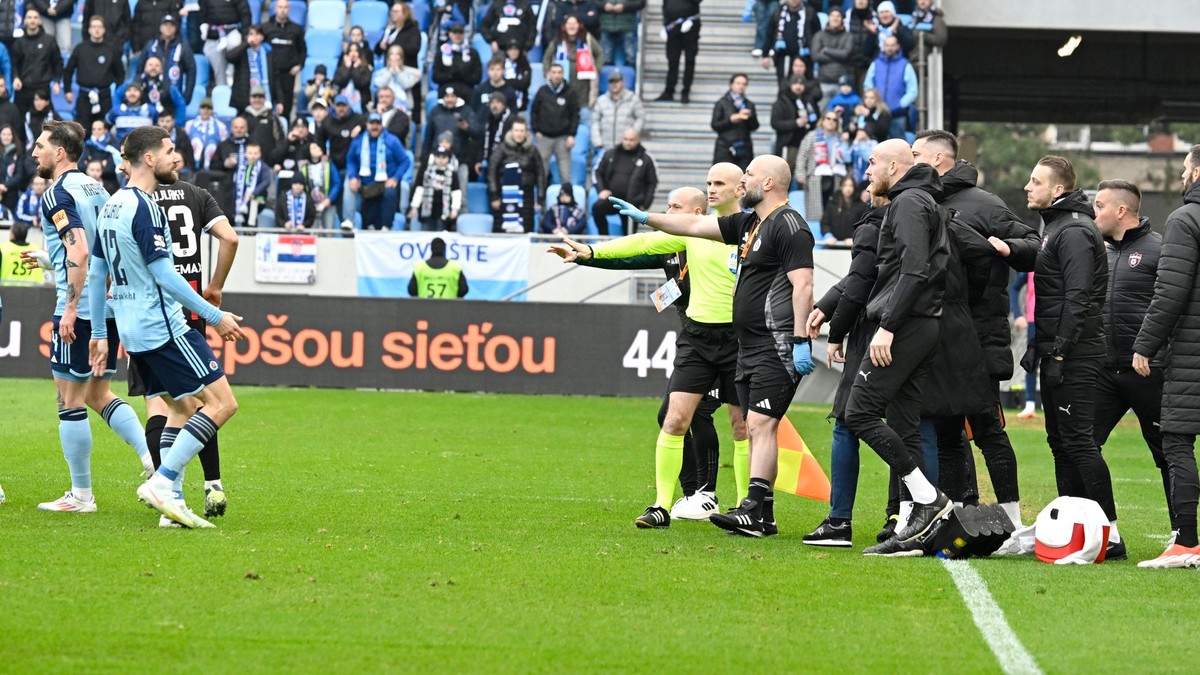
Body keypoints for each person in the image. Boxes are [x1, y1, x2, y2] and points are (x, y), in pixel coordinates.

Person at [610, 155, 815, 537]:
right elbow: (691, 224)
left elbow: (803, 285)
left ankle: (749, 507)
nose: (743, 181)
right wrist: (646, 217)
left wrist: (801, 338)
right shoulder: (751, 223)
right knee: (728, 423)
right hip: (739, 343)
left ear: (767, 183)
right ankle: (734, 509)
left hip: (771, 342)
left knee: (755, 425)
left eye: (749, 175)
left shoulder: (790, 227)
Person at [554, 165, 751, 526]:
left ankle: (743, 507)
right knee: (674, 418)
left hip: (739, 340)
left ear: (741, 188)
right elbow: (641, 246)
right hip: (697, 338)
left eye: (717, 183)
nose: (711, 189)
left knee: (742, 426)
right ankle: (664, 505)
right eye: (707, 182)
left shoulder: (751, 232)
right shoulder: (689, 234)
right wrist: (591, 252)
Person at [88, 125, 245, 528]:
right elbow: (166, 277)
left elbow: (96, 273)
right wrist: (215, 315)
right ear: (149, 158)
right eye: (170, 150)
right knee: (223, 403)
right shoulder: (144, 206)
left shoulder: (111, 205)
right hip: (164, 326)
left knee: (178, 408)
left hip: (134, 330)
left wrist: (103, 334)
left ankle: (170, 503)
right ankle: (164, 482)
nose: (176, 157)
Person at [21, 120, 154, 513]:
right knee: (98, 393)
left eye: (41, 145)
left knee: (69, 399)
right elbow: (97, 246)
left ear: (59, 152)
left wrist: (72, 308)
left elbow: (78, 252)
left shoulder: (57, 192)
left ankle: (81, 496)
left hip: (78, 308)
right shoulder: (97, 187)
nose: (34, 152)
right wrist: (51, 260)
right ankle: (152, 461)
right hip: (108, 304)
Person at [912, 129, 1040, 531]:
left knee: (987, 427)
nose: (909, 159)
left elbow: (1033, 244)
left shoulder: (984, 205)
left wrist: (1007, 248)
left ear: (936, 160)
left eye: (915, 153)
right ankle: (959, 514)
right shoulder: (918, 202)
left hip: (980, 338)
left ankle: (1014, 521)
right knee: (948, 428)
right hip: (937, 339)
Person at [830, 139, 952, 557]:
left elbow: (915, 270)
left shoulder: (909, 202)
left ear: (895, 166)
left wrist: (888, 327)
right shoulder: (918, 200)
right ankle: (912, 527)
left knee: (858, 413)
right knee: (903, 423)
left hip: (907, 327)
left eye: (872, 162)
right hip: (920, 325)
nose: (866, 170)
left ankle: (927, 499)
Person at [1021, 154, 1122, 559]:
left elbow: (1078, 297)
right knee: (1060, 442)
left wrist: (1060, 350)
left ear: (1057, 189)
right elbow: (1054, 296)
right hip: (1058, 351)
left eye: (1035, 181)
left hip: (1076, 354)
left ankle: (1110, 535)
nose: (1028, 187)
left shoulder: (1075, 230)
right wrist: (1039, 345)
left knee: (1079, 441)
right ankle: (1077, 529)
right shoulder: (1056, 227)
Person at [139, 148, 238, 520]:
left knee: (162, 405)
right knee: (202, 403)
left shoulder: (137, 200)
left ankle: (166, 490)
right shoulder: (197, 194)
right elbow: (229, 239)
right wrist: (214, 288)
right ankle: (208, 484)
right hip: (191, 308)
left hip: (150, 312)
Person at [1089, 180, 1173, 542]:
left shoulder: (1161, 250)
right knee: (1082, 444)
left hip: (1149, 371)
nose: (1094, 214)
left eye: (1099, 206)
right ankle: (1104, 530)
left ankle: (1182, 533)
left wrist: (1155, 351)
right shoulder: (1099, 253)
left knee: (1169, 452)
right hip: (1105, 372)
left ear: (1121, 211)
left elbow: (1173, 307)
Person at [802, 192, 886, 546]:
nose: (866, 175)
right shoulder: (931, 212)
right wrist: (826, 305)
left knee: (848, 422)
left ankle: (839, 521)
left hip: (875, 332)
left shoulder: (877, 222)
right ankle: (903, 516)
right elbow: (857, 278)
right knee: (910, 425)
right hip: (911, 332)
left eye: (873, 165)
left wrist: (837, 331)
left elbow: (860, 281)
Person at [1132, 146, 1200, 568]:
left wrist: (1145, 344)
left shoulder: (1185, 219)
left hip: (1192, 351)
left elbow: (1171, 291)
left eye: (1184, 170)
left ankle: (1186, 542)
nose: (1181, 177)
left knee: (1176, 440)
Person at [347, 112, 409, 230]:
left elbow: (405, 161)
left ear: (382, 125)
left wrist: (395, 178)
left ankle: (386, 227)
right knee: (369, 214)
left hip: (386, 183)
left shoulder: (392, 140)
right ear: (367, 124)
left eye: (377, 123)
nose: (375, 127)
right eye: (372, 123)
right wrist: (353, 176)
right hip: (367, 184)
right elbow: (351, 160)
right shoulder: (358, 141)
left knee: (389, 194)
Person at [63, 16, 126, 132]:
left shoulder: (112, 49)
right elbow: (68, 70)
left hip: (104, 97)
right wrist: (67, 90)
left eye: (99, 27)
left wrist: (118, 93)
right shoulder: (80, 48)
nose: (97, 30)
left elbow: (120, 74)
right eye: (94, 26)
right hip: (84, 97)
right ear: (89, 29)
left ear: (104, 30)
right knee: (81, 131)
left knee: (105, 130)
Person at [591, 128, 657, 235]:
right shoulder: (610, 154)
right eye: (626, 139)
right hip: (612, 199)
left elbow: (652, 182)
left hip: (632, 203)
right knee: (597, 208)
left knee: (629, 236)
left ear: (637, 139)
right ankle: (603, 238)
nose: (628, 142)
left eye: (631, 140)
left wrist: (646, 202)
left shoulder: (646, 158)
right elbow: (597, 172)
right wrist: (601, 190)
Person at [487, 116, 546, 234]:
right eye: (516, 130)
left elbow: (540, 174)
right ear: (511, 131)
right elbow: (491, 171)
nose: (519, 134)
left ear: (526, 133)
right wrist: (494, 196)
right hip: (504, 196)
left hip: (526, 197)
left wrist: (540, 199)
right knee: (503, 231)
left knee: (525, 230)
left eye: (522, 131)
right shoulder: (502, 148)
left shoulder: (533, 150)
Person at [795, 110, 849, 223]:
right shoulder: (812, 136)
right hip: (816, 178)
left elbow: (847, 159)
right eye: (828, 118)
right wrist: (800, 174)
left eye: (835, 120)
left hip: (836, 178)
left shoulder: (840, 139)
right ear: (822, 121)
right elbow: (802, 155)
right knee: (816, 212)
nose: (831, 122)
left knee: (834, 211)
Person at [530, 64, 579, 184]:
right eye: (554, 72)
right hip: (544, 137)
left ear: (563, 74)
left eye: (559, 72)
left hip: (562, 138)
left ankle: (568, 200)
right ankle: (541, 201)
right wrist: (536, 130)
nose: (557, 75)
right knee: (541, 172)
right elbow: (534, 112)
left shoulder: (570, 92)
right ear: (549, 74)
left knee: (565, 173)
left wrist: (572, 134)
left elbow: (575, 115)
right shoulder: (542, 91)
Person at [543, 15, 603, 111]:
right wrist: (548, 73)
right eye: (569, 24)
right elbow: (547, 58)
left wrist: (597, 70)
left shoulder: (587, 39)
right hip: (562, 87)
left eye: (574, 23)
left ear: (579, 25)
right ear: (564, 26)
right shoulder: (557, 40)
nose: (572, 26)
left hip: (583, 90)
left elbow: (600, 54)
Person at [863, 36, 916, 140]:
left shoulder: (905, 65)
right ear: (883, 46)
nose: (890, 48)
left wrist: (900, 104)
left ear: (897, 47)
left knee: (898, 146)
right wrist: (874, 102)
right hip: (877, 114)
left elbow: (913, 90)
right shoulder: (876, 64)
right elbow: (867, 85)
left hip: (898, 115)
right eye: (887, 45)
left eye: (892, 45)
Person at [141, 14, 197, 109]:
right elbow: (140, 68)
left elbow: (191, 71)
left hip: (173, 99)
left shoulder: (183, 47)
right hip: (150, 96)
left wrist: (186, 96)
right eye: (165, 25)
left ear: (176, 28)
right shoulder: (150, 46)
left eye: (171, 25)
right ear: (160, 27)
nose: (168, 28)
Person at [11, 9, 61, 115]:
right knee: (18, 121)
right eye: (29, 17)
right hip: (23, 88)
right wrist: (15, 77)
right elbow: (14, 63)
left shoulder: (49, 40)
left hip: (42, 88)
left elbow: (57, 62)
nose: (32, 20)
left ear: (40, 21)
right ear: (24, 21)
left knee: (48, 124)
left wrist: (57, 81)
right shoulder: (18, 42)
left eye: (35, 17)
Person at [759, 0, 820, 85]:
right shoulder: (778, 12)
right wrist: (765, 55)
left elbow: (817, 35)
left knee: (803, 84)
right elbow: (770, 33)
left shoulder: (810, 12)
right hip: (783, 57)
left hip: (804, 57)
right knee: (783, 85)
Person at [262, 0, 305, 119]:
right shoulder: (265, 28)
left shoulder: (296, 29)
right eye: (280, 7)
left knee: (286, 105)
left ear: (289, 9)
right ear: (275, 8)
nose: (282, 10)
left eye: (285, 7)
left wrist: (299, 66)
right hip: (270, 73)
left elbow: (303, 50)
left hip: (288, 74)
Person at [199, 0, 252, 88]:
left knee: (235, 44)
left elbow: (245, 14)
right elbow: (202, 13)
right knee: (210, 51)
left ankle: (231, 77)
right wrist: (203, 26)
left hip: (232, 31)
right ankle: (222, 87)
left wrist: (245, 35)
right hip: (213, 34)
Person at [655, 0, 700, 103]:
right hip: (672, 25)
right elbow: (665, 5)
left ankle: (686, 91)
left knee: (689, 59)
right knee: (672, 60)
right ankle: (669, 90)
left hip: (690, 24)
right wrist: (665, 23)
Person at [771, 75, 818, 174]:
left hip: (807, 144)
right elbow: (775, 123)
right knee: (786, 173)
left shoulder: (808, 101)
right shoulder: (782, 102)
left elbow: (816, 118)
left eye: (801, 84)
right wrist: (795, 123)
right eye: (795, 83)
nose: (798, 86)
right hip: (789, 144)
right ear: (790, 85)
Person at [710, 73, 758, 171]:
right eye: (738, 83)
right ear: (732, 84)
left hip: (744, 147)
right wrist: (731, 120)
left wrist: (750, 116)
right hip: (724, 148)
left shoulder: (749, 104)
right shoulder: (721, 103)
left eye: (744, 84)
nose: (741, 86)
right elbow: (715, 125)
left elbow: (755, 126)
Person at [590, 69, 644, 153]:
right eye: (612, 82)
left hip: (626, 147)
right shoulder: (601, 101)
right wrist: (598, 142)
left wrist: (632, 134)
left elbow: (641, 118)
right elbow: (595, 121)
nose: (614, 84)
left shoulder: (633, 99)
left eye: (617, 81)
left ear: (622, 82)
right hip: (605, 147)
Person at [409, 146, 461, 232]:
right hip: (427, 210)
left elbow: (456, 193)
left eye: (444, 157)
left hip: (443, 211)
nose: (440, 160)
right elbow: (420, 190)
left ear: (448, 158)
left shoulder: (452, 174)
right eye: (438, 157)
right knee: (425, 234)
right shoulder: (427, 172)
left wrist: (455, 209)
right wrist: (414, 206)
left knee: (439, 234)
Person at [812, 8, 855, 107]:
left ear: (842, 19)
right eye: (832, 15)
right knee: (823, 116)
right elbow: (815, 56)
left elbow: (845, 55)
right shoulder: (819, 35)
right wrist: (838, 56)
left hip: (842, 84)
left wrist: (826, 50)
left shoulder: (849, 36)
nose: (835, 18)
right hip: (823, 82)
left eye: (838, 16)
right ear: (828, 18)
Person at [1010, 272, 1038, 418]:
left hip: (1055, 318)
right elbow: (1014, 288)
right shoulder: (1031, 266)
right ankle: (1030, 403)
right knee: (1031, 360)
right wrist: (1018, 314)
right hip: (1034, 320)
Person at [433, 23, 481, 104]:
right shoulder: (441, 52)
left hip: (466, 89)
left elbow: (477, 78)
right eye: (455, 32)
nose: (457, 35)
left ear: (464, 34)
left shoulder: (473, 53)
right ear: (450, 34)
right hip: (446, 88)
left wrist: (464, 76)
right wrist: (450, 75)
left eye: (460, 32)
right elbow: (435, 77)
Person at [301, 141, 341, 230]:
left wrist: (329, 199)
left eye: (317, 146)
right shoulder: (304, 169)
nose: (318, 148)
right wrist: (311, 204)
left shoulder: (328, 164)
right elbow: (303, 188)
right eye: (314, 148)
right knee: (313, 231)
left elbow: (337, 183)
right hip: (311, 206)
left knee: (329, 230)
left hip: (328, 204)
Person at [373, 45, 422, 112]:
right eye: (392, 54)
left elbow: (406, 85)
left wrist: (398, 72)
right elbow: (380, 85)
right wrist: (390, 71)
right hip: (385, 106)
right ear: (388, 57)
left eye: (397, 54)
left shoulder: (409, 72)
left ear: (401, 57)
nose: (394, 57)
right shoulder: (381, 73)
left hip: (404, 107)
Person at [233, 141, 271, 226]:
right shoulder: (241, 167)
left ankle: (251, 229)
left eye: (255, 153)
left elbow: (266, 182)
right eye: (250, 153)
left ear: (260, 154)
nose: (253, 156)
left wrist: (253, 193)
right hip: (242, 198)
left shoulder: (263, 167)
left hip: (258, 197)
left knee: (252, 205)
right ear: (245, 154)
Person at [80, 119, 123, 194]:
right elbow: (81, 165)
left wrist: (91, 162)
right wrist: (102, 163)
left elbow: (111, 168)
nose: (96, 131)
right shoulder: (86, 144)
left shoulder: (112, 145)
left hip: (110, 182)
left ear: (105, 130)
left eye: (99, 129)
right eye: (94, 129)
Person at [821, 174, 867, 243]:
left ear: (854, 187)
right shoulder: (832, 202)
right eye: (845, 185)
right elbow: (825, 223)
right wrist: (828, 235)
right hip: (833, 244)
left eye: (851, 185)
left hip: (854, 245)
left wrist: (855, 238)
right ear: (841, 187)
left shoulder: (861, 205)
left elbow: (864, 225)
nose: (848, 189)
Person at [185, 99, 228, 172]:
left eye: (208, 108)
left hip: (212, 163)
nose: (205, 110)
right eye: (203, 107)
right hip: (192, 162)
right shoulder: (189, 124)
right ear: (199, 109)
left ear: (212, 110)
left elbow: (223, 146)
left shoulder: (220, 126)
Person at [599, 0, 643, 67]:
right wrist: (604, 5)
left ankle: (630, 75)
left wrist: (624, 6)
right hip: (606, 26)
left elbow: (641, 3)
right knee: (605, 59)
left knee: (630, 57)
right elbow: (594, 2)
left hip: (627, 26)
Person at [0, 220, 43, 286]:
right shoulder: (36, 249)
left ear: (12, 233)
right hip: (33, 292)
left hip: (7, 292)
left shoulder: (3, 248)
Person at [501, 41, 533, 109]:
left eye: (516, 49)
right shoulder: (502, 63)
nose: (513, 52)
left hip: (522, 102)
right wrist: (515, 82)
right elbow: (499, 82)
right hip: (504, 100)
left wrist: (508, 81)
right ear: (507, 51)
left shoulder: (525, 64)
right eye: (511, 49)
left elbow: (525, 84)